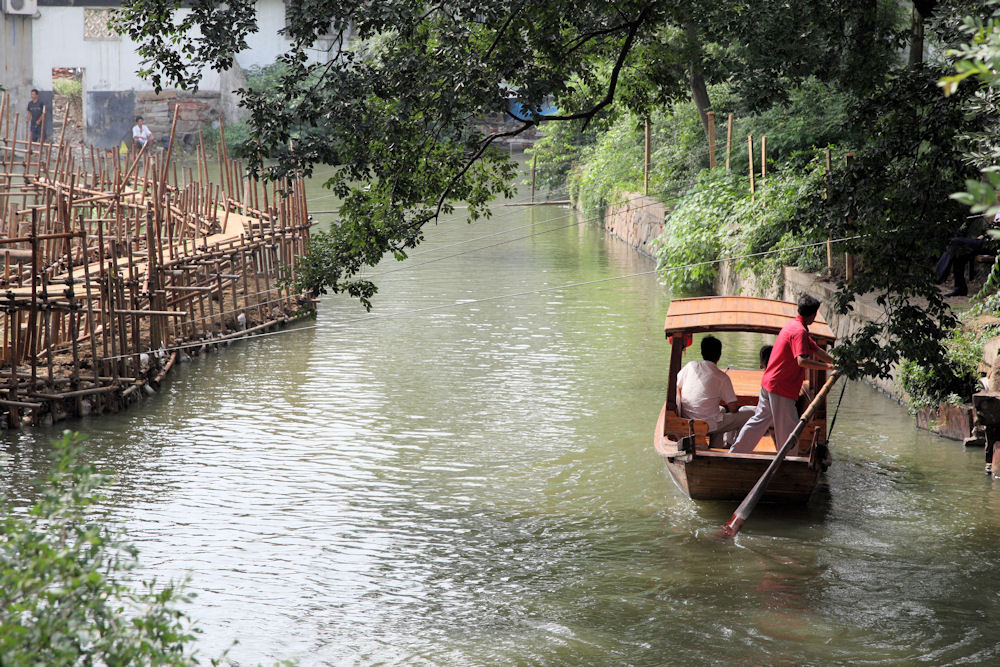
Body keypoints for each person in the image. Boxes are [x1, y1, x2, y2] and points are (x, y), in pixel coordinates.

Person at [730, 294, 834, 454]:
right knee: (788, 428)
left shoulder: (794, 326)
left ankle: (736, 451)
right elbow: (802, 361)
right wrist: (828, 366)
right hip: (780, 388)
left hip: (770, 383)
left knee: (759, 421)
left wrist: (836, 363)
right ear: (813, 315)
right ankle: (790, 461)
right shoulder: (799, 331)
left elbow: (816, 350)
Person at [676, 335, 752, 449]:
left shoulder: (690, 366)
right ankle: (732, 444)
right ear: (719, 356)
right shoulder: (722, 377)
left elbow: (677, 386)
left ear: (702, 352)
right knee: (750, 414)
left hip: (686, 418)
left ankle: (716, 446)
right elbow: (733, 408)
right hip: (707, 424)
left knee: (720, 412)